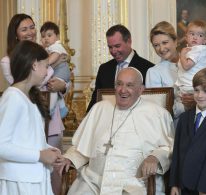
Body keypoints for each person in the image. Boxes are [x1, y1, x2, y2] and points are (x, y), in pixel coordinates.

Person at [59, 67, 174, 194]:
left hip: (132, 185)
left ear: (141, 90)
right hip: (93, 182)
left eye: (129, 85)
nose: (123, 90)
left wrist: (155, 157)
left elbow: (169, 147)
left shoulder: (157, 114)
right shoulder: (99, 109)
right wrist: (69, 158)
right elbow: (83, 146)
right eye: (119, 84)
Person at [0, 13, 68, 195]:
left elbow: (27, 140)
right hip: (20, 182)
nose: (47, 71)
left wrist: (48, 150)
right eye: (46, 66)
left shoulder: (29, 97)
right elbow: (1, 145)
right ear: (34, 66)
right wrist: (40, 155)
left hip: (34, 178)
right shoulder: (13, 97)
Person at [169, 68, 206, 195]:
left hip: (204, 186)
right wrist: (174, 183)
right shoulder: (185, 117)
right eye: (196, 90)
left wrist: (204, 188)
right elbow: (177, 152)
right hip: (182, 184)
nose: (200, 95)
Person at [86, 24, 154, 112]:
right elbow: (95, 100)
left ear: (129, 42)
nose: (113, 51)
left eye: (117, 46)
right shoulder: (104, 69)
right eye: (110, 47)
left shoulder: (148, 68)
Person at [173, 20, 206, 122]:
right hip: (187, 86)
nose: (195, 37)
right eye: (192, 34)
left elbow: (187, 66)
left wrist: (182, 54)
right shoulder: (191, 50)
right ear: (186, 36)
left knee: (180, 110)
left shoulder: (199, 49)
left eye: (200, 35)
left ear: (205, 40)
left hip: (192, 86)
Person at [40, 21, 70, 118]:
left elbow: (55, 56)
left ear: (57, 36)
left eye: (49, 35)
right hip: (57, 71)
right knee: (55, 90)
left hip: (61, 71)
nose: (46, 39)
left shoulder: (56, 46)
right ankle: (62, 107)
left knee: (52, 90)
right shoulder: (49, 47)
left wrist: (46, 63)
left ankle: (50, 109)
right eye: (43, 36)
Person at [145, 21, 178, 88]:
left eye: (165, 43)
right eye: (156, 45)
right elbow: (155, 98)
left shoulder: (194, 63)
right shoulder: (153, 72)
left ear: (175, 41)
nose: (161, 49)